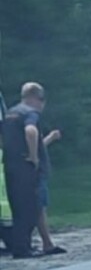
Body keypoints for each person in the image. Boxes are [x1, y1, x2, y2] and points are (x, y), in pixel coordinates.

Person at [2, 82, 47, 258]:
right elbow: (31, 131)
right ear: (35, 97)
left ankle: (20, 246)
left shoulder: (10, 113)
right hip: (24, 165)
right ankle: (23, 249)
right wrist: (34, 156)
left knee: (17, 208)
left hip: (10, 164)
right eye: (42, 99)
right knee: (29, 208)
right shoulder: (29, 113)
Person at [36, 126, 66, 255]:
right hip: (35, 173)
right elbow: (36, 147)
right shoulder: (28, 120)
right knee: (39, 207)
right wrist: (51, 138)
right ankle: (47, 243)